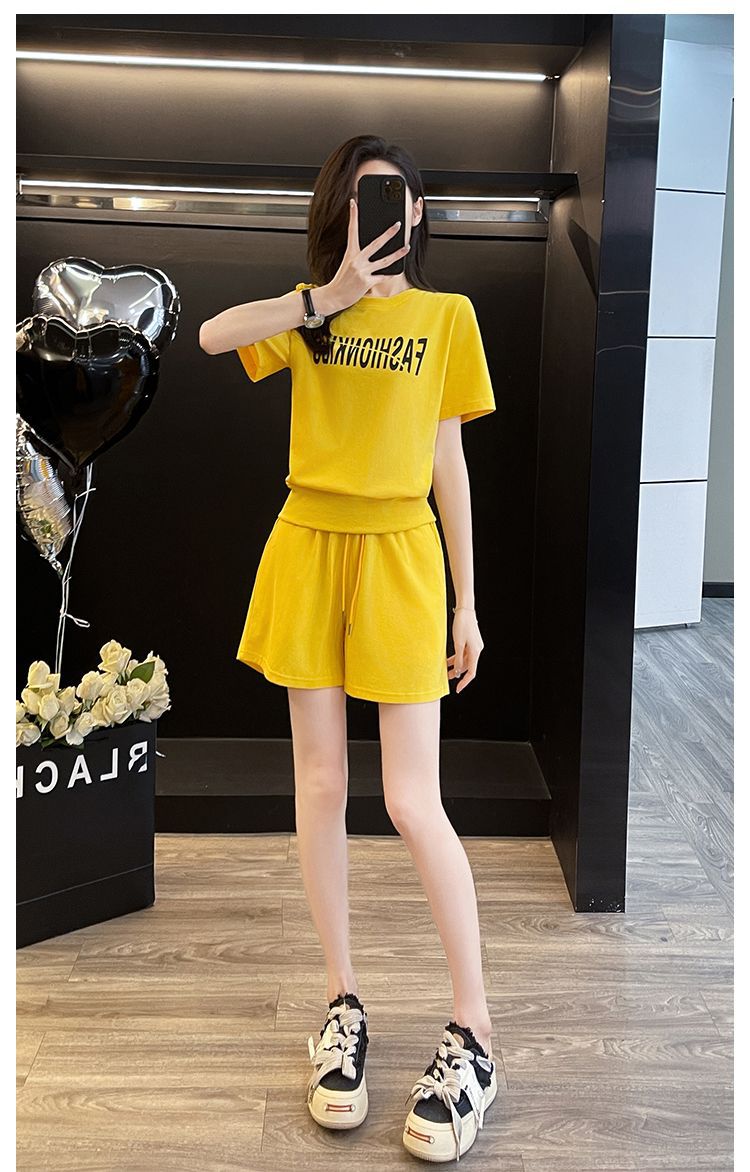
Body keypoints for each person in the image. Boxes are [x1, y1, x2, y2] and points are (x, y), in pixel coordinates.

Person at [199, 134, 497, 1163]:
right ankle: (341, 1001)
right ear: (342, 209)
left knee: (414, 800)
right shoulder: (311, 313)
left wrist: (467, 601)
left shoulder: (447, 318)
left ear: (418, 213)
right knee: (321, 782)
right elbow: (212, 336)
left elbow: (448, 460)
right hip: (310, 545)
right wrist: (319, 299)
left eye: (399, 196)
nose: (387, 211)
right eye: (368, 197)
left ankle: (475, 1030)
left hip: (403, 553)